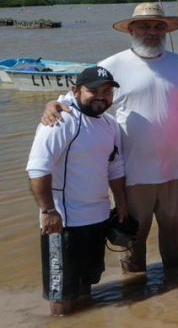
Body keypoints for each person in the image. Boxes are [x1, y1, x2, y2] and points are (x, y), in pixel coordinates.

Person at [42, 2, 178, 278]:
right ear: (131, 29)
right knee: (130, 244)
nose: (152, 32)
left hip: (177, 171)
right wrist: (52, 104)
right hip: (130, 174)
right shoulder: (111, 65)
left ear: (166, 30)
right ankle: (133, 302)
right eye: (144, 26)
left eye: (158, 26)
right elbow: (76, 99)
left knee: (177, 244)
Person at [27, 66, 127, 316]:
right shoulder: (60, 120)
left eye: (107, 91)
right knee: (62, 294)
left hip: (97, 217)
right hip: (63, 223)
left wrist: (122, 205)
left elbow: (115, 168)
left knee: (86, 285)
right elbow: (38, 169)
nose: (101, 96)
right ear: (75, 90)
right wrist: (48, 211)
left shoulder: (110, 124)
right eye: (93, 90)